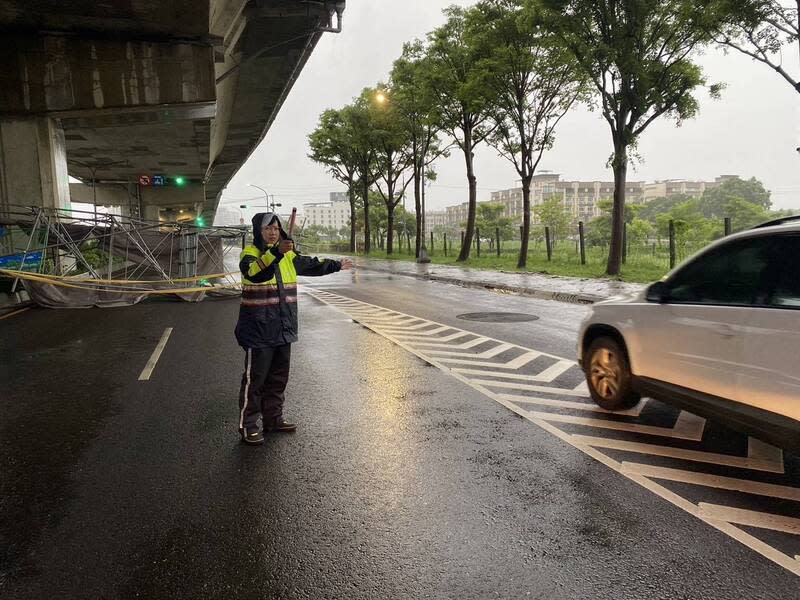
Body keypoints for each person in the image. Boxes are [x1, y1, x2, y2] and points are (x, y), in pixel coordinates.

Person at [235, 212, 353, 445]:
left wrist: (336, 265)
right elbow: (256, 273)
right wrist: (276, 253)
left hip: (283, 327)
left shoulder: (288, 256)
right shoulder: (249, 255)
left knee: (278, 378)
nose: (273, 232)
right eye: (268, 228)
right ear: (258, 232)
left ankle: (273, 419)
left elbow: (310, 265)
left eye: (277, 229)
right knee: (255, 381)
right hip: (259, 330)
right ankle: (248, 425)